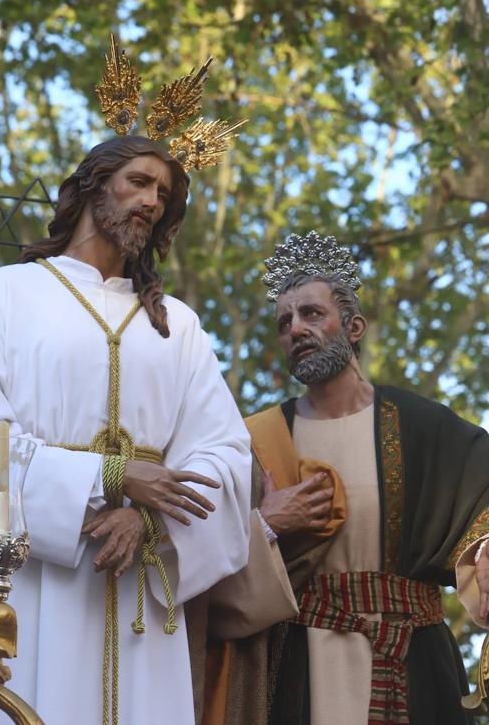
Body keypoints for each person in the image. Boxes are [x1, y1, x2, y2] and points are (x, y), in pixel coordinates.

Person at [0, 39, 251, 725]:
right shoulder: (6, 296)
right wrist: (110, 476)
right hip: (35, 583)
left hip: (139, 584)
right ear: (93, 183)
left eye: (163, 194)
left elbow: (226, 457)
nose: (150, 201)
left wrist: (147, 520)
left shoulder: (178, 327)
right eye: (138, 181)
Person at [198, 231, 489, 725]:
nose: (295, 329)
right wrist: (266, 521)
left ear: (354, 326)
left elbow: (480, 492)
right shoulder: (257, 441)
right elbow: (209, 563)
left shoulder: (422, 425)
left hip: (413, 655)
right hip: (299, 665)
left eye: (312, 313)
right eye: (284, 322)